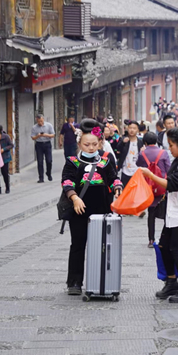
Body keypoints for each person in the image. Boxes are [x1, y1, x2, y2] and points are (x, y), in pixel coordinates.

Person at [140, 127, 178, 303]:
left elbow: (172, 184)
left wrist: (150, 175)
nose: (170, 149)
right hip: (173, 210)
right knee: (164, 246)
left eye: (172, 145)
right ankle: (171, 282)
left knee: (175, 248)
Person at [62, 119, 123, 295]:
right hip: (79, 211)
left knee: (102, 246)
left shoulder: (105, 160)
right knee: (78, 245)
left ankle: (100, 280)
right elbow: (67, 181)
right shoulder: (72, 161)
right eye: (86, 144)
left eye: (94, 144)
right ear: (80, 144)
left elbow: (114, 178)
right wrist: (74, 198)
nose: (90, 147)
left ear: (100, 143)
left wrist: (118, 189)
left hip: (102, 211)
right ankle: (74, 282)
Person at [136, 132, 170, 247]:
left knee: (151, 214)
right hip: (161, 186)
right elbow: (168, 169)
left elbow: (138, 165)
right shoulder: (163, 153)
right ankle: (166, 237)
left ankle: (151, 239)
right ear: (156, 141)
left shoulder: (142, 153)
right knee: (166, 213)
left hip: (148, 187)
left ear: (145, 142)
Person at [116, 120, 144, 186]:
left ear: (137, 130)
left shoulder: (140, 142)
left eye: (134, 128)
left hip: (136, 171)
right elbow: (117, 151)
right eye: (130, 128)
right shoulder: (123, 140)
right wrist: (122, 142)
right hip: (125, 171)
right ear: (127, 128)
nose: (132, 130)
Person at [31, 114, 55, 183]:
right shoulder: (34, 127)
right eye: (39, 122)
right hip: (39, 145)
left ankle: (49, 173)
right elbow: (33, 137)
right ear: (36, 121)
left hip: (47, 144)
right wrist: (38, 136)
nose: (40, 123)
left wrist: (45, 135)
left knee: (49, 160)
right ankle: (41, 177)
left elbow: (53, 135)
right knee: (40, 161)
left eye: (41, 121)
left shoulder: (49, 125)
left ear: (43, 119)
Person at [0, 124, 13, 194]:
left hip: (5, 157)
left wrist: (4, 149)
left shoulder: (6, 137)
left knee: (5, 173)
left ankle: (7, 187)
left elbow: (11, 145)